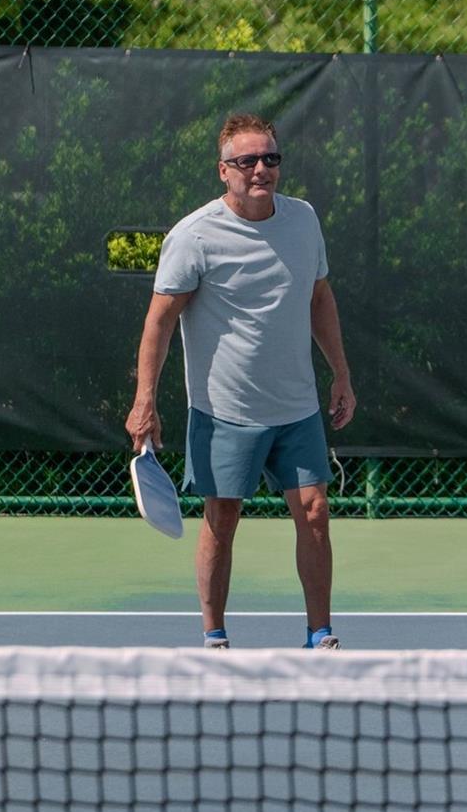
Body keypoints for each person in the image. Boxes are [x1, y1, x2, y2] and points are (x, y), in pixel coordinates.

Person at [125, 113, 356, 651]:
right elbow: (159, 320)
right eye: (247, 161)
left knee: (316, 511)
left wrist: (341, 373)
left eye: (270, 158)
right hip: (224, 409)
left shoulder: (303, 221)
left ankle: (319, 634)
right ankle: (214, 635)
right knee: (222, 518)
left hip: (295, 407)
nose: (260, 169)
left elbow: (319, 298)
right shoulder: (194, 235)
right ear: (223, 170)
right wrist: (145, 400)